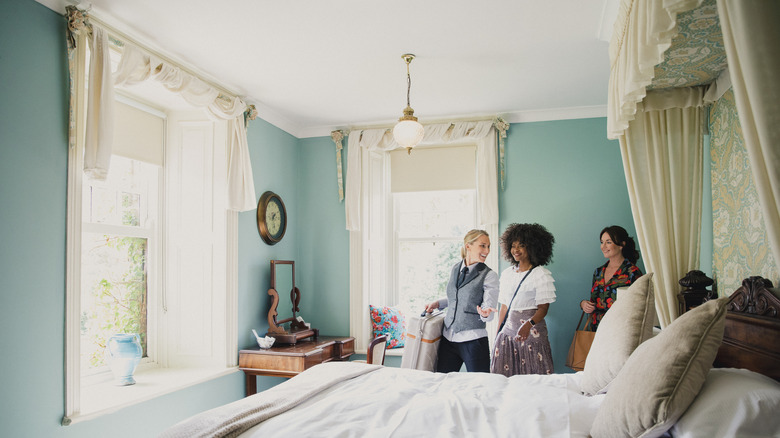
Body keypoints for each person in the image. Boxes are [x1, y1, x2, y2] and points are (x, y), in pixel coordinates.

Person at [424, 229, 499, 373]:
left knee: (480, 386)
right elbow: (457, 298)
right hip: (448, 339)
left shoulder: (489, 275)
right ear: (468, 246)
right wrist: (438, 303)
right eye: (483, 246)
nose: (487, 250)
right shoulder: (455, 268)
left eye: (488, 246)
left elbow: (489, 312)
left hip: (473, 340)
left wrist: (485, 313)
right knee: (443, 382)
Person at [490, 223, 556, 377]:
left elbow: (543, 308)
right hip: (507, 337)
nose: (516, 250)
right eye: (513, 246)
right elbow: (504, 308)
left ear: (533, 247)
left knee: (534, 381)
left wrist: (528, 325)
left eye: (521, 245)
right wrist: (498, 333)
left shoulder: (541, 274)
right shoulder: (507, 274)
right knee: (503, 381)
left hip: (532, 336)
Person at [580, 225, 643, 330]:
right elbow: (594, 301)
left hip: (618, 330)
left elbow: (638, 306)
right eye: (602, 242)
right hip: (595, 330)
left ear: (621, 245)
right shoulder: (598, 272)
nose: (603, 246)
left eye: (608, 242)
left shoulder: (632, 272)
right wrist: (583, 304)